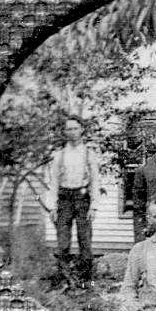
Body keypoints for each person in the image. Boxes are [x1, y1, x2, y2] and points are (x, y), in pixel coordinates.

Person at [47, 114, 100, 285]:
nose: (72, 132)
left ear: (82, 130)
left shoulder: (88, 154)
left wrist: (94, 206)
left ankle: (86, 280)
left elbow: (95, 181)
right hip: (64, 199)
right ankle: (64, 279)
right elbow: (54, 181)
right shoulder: (59, 155)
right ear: (64, 131)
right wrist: (52, 207)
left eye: (75, 128)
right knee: (63, 241)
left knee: (85, 240)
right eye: (68, 129)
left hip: (82, 198)